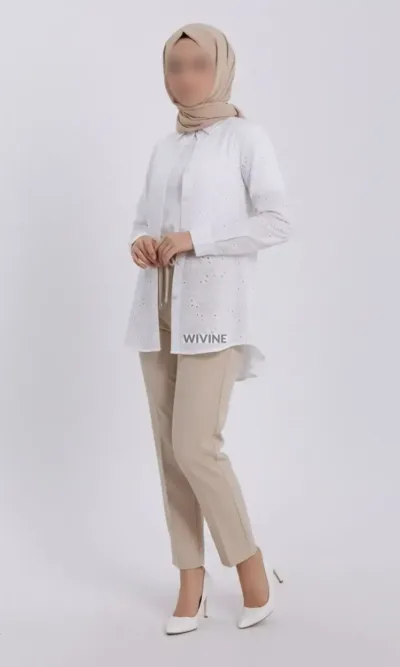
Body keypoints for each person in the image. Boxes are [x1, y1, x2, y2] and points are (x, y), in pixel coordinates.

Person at [126, 22, 291, 634]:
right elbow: (145, 218)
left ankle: (250, 566)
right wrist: (142, 242)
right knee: (170, 452)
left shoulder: (245, 138)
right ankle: (189, 581)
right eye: (175, 66)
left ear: (221, 69)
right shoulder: (165, 148)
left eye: (198, 65)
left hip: (213, 314)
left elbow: (276, 221)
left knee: (196, 445)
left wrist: (197, 239)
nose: (186, 77)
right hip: (157, 310)